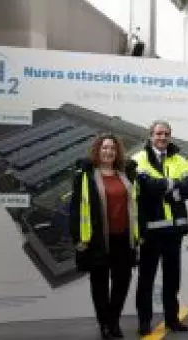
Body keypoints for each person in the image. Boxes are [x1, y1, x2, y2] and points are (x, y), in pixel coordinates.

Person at [69, 133, 139, 339]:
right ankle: (104, 324)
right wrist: (78, 239)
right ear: (97, 151)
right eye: (105, 148)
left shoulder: (126, 175)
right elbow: (75, 209)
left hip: (123, 238)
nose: (108, 151)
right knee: (99, 284)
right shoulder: (86, 176)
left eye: (112, 148)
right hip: (98, 239)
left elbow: (135, 206)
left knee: (122, 282)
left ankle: (114, 320)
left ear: (117, 153)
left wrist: (138, 235)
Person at [131, 121, 188, 336]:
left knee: (172, 279)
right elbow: (144, 187)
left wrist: (169, 189)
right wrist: (171, 184)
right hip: (150, 231)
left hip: (173, 231)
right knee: (146, 279)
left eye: (166, 133)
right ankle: (144, 321)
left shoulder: (181, 160)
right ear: (150, 136)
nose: (163, 137)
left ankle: (172, 320)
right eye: (159, 133)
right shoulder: (138, 160)